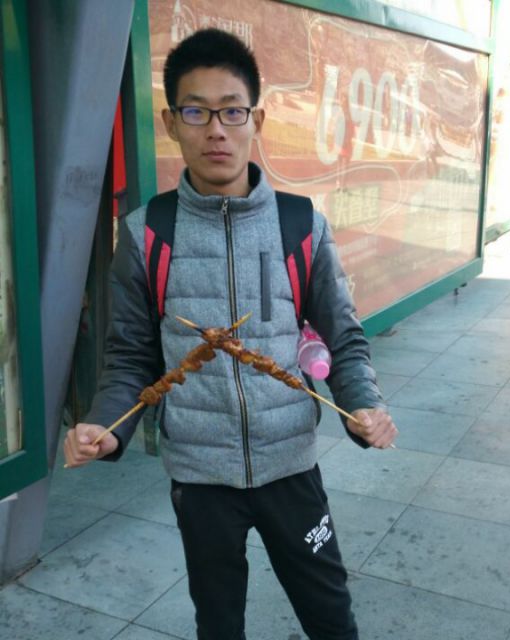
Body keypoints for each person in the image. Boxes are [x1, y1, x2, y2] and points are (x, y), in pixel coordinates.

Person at [63, 28, 397, 640]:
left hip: (291, 466)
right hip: (200, 477)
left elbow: (344, 339)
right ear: (170, 123)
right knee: (218, 623)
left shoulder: (301, 225)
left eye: (232, 111)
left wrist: (364, 405)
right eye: (196, 111)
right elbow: (130, 357)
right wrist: (106, 425)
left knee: (330, 615)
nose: (216, 130)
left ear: (256, 119)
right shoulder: (146, 234)